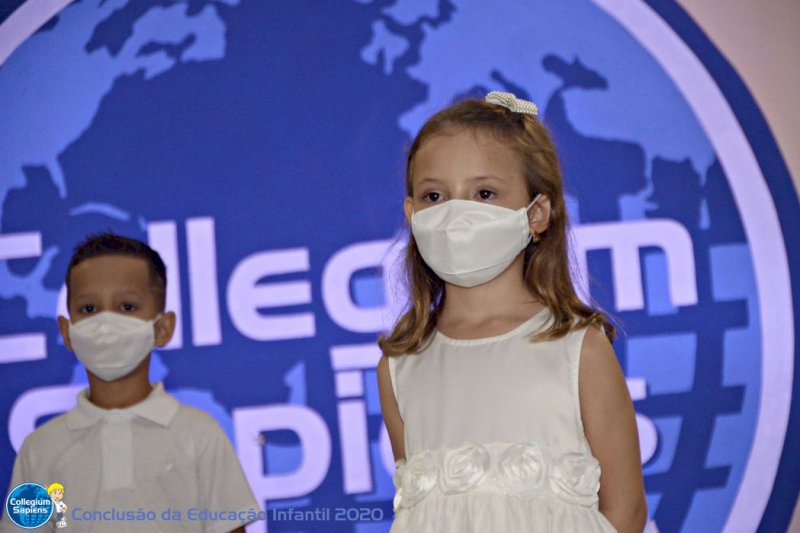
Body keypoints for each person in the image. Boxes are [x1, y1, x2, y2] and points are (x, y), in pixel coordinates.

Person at [377, 92, 647, 532]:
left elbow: (626, 511)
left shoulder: (578, 347)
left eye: (484, 193)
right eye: (434, 195)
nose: (456, 213)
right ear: (411, 214)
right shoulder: (400, 366)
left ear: (537, 213)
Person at [1, 233, 258, 532]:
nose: (106, 324)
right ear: (67, 331)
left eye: (126, 307)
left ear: (162, 328)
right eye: (88, 309)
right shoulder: (40, 449)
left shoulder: (199, 435)